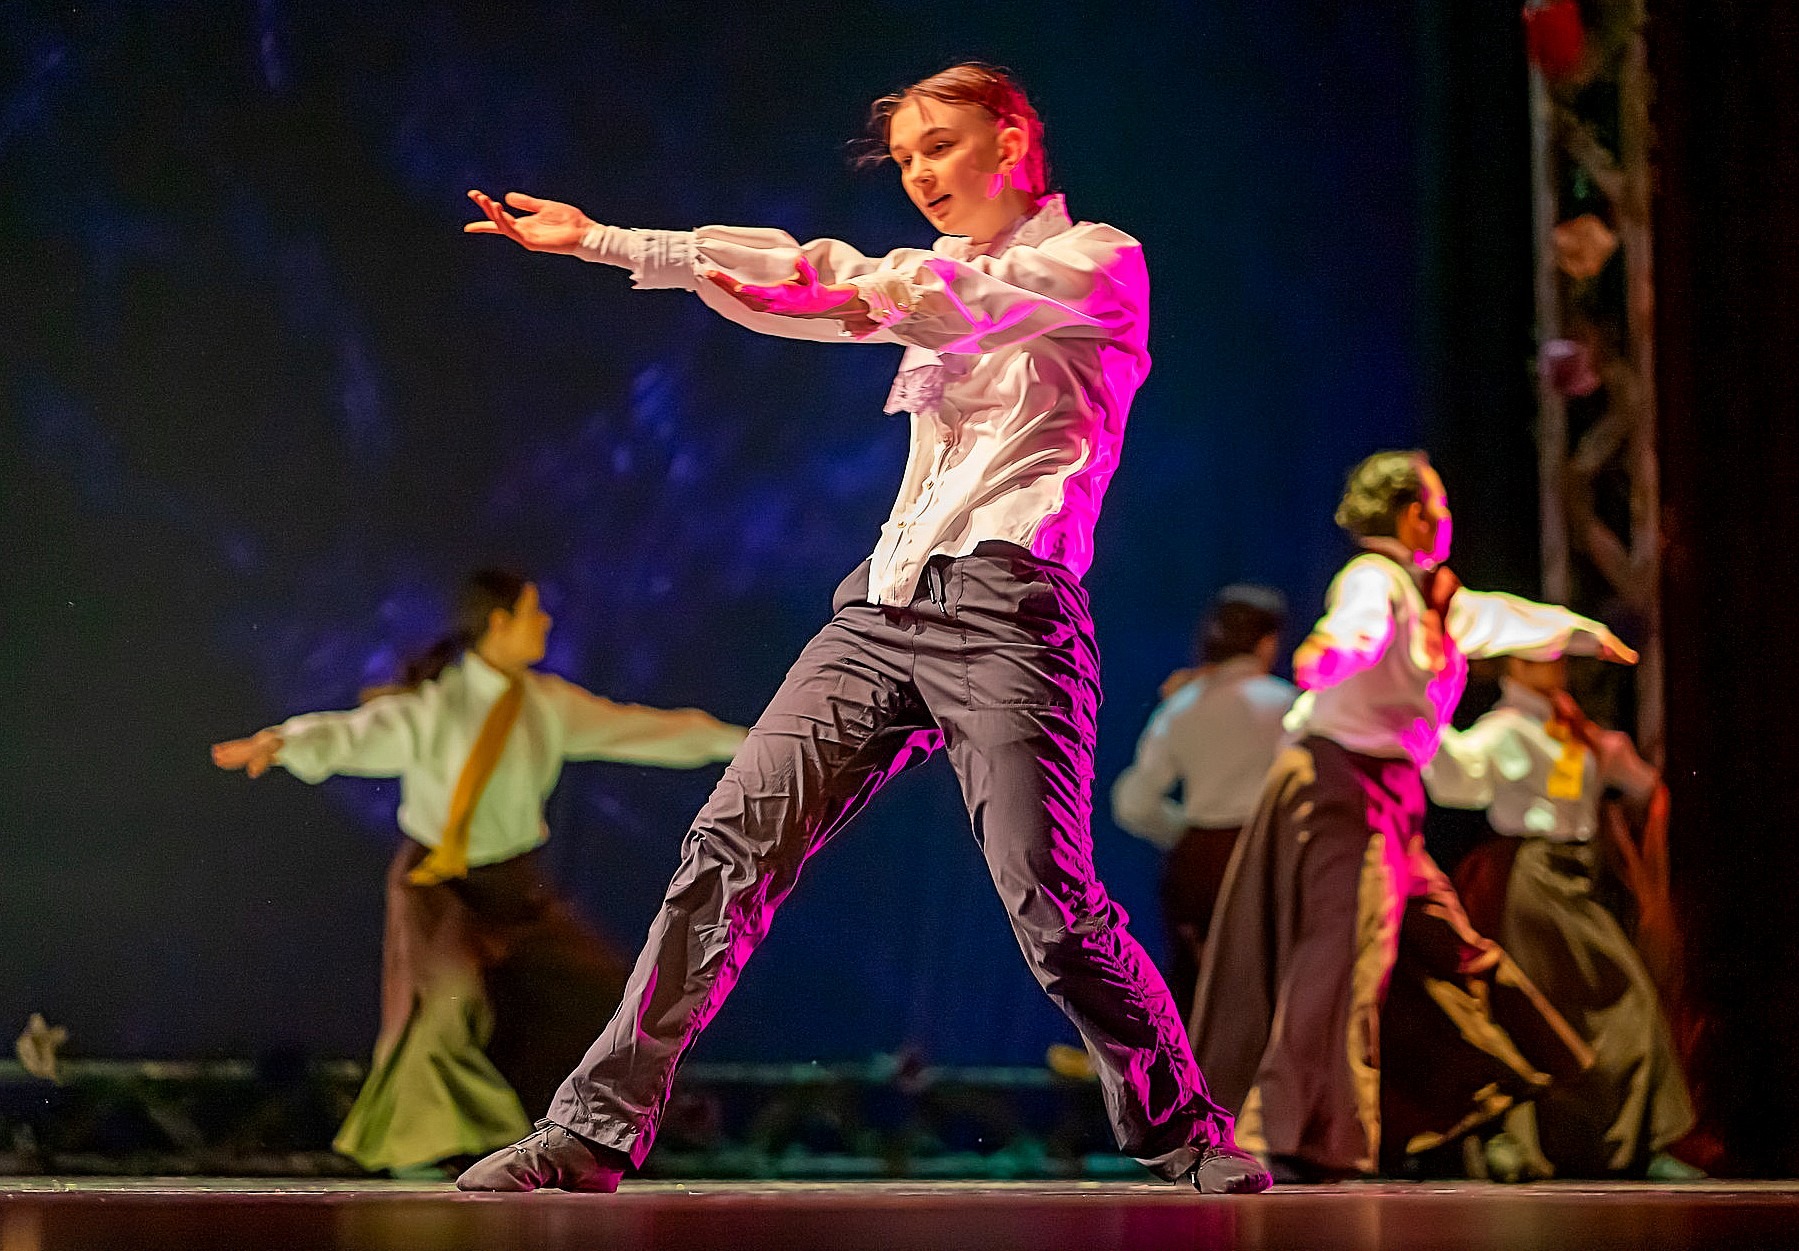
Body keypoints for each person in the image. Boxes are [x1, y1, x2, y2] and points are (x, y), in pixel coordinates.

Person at [452, 63, 1268, 1194]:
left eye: (939, 146)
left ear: (1012, 136)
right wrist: (604, 242)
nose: (921, 175)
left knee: (1048, 899)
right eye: (905, 162)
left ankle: (1186, 1132)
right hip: (882, 609)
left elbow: (926, 297)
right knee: (727, 851)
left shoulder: (1096, 264)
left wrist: (874, 285)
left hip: (1010, 615)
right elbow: (807, 284)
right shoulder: (928, 279)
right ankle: (592, 1130)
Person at [212, 569, 745, 1177]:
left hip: (517, 889)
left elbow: (645, 730)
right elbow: (357, 735)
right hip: (442, 885)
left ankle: (585, 1131)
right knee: (447, 1005)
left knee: (605, 992)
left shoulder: (548, 705)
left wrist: (745, 743)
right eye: (533, 614)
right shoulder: (438, 706)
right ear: (499, 624)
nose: (544, 625)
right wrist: (285, 742)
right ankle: (438, 1148)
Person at [1190, 450, 1632, 1181]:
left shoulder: (1442, 601)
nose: (1447, 518)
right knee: (1343, 956)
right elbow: (1356, 628)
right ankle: (1293, 1131)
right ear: (1409, 514)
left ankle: (1502, 1073)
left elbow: (1514, 618)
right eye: (1437, 504)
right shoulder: (1376, 580)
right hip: (1337, 783)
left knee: (1449, 940)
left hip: (1390, 798)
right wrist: (1331, 653)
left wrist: (1588, 635)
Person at [1424, 656, 1695, 1177]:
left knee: (1591, 1006)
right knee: (1563, 1000)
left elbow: (1639, 783)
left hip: (1578, 873)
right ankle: (1524, 1143)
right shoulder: (1505, 730)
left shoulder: (1572, 729)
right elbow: (1455, 779)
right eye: (1534, 657)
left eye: (1553, 655)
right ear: (1512, 667)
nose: (1551, 666)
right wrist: (1431, 713)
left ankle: (1626, 1142)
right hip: (1533, 877)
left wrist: (1616, 763)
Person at [1111, 584, 1296, 1019]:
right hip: (1262, 859)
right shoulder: (1288, 706)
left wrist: (1186, 829)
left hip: (1195, 865)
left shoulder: (1181, 707)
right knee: (1266, 993)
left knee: (1197, 995)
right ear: (1268, 642)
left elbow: (1133, 802)